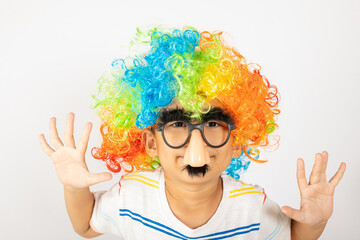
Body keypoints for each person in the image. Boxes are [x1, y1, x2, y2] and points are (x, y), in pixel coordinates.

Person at [39, 27, 346, 239]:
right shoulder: (130, 198)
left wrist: (316, 224)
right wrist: (74, 188)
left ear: (237, 142)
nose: (196, 149)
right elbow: (85, 226)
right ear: (149, 142)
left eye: (213, 124)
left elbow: (292, 237)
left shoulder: (252, 207)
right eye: (177, 124)